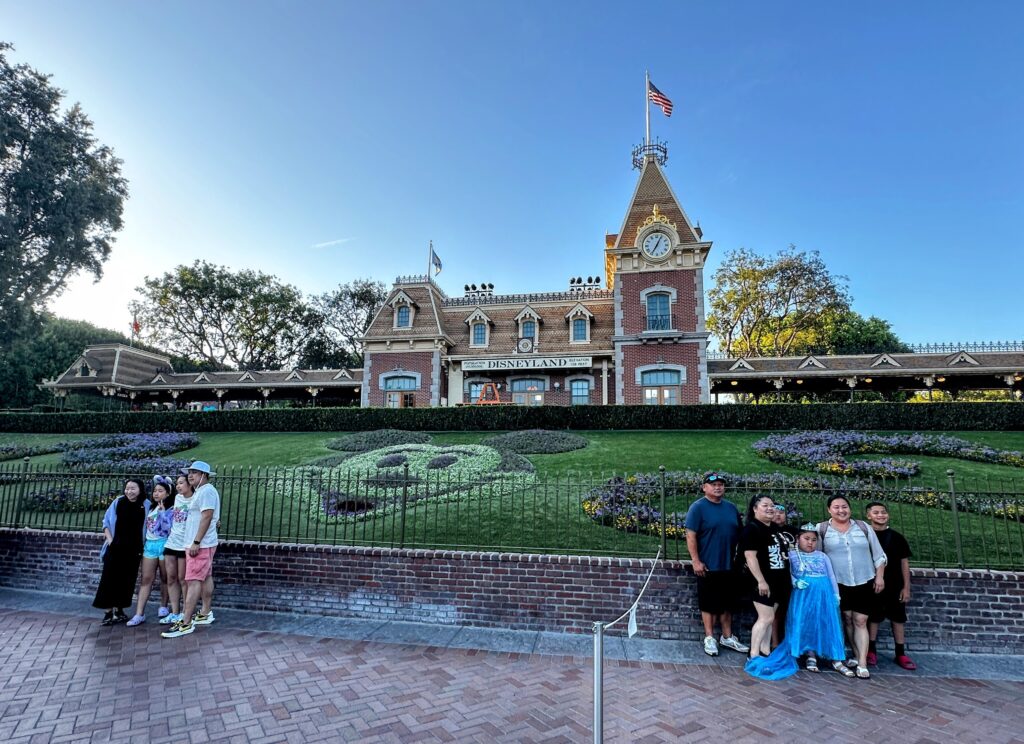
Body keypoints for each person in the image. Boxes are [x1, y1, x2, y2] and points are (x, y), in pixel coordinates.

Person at [745, 524, 854, 680]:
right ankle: (809, 654)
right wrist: (795, 581)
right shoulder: (792, 555)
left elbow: (831, 576)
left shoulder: (822, 557)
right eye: (806, 539)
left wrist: (836, 594)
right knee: (805, 622)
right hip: (803, 595)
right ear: (798, 539)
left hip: (823, 594)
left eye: (814, 540)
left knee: (826, 622)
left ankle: (835, 657)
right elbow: (786, 573)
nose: (810, 543)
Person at [817, 495, 887, 679]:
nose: (841, 510)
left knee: (861, 620)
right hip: (838, 582)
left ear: (850, 508)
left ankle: (862, 664)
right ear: (829, 510)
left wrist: (880, 577)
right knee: (847, 619)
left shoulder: (864, 528)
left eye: (844, 506)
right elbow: (817, 557)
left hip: (864, 580)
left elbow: (879, 556)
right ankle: (856, 654)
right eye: (836, 507)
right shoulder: (822, 529)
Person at [684, 472, 749, 657]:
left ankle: (727, 636)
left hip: (729, 564)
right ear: (704, 487)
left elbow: (739, 532)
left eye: (721, 484)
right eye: (713, 484)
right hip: (708, 564)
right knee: (708, 602)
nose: (718, 487)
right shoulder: (698, 508)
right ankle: (710, 637)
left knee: (728, 603)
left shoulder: (730, 508)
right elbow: (691, 535)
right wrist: (696, 560)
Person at [162, 460, 220, 639]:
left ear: (204, 475)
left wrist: (196, 541)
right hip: (202, 543)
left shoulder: (206, 491)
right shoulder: (202, 491)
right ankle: (205, 612)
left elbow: (207, 517)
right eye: (190, 472)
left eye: (195, 472)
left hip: (200, 544)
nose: (190, 475)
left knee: (193, 580)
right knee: (205, 576)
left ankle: (186, 623)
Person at [738, 495, 791, 660]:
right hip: (761, 582)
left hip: (778, 581)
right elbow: (750, 557)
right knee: (766, 617)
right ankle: (753, 655)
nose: (770, 508)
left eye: (772, 505)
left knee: (770, 618)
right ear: (755, 509)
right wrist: (761, 581)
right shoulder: (752, 529)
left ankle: (765, 651)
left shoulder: (773, 528)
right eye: (765, 505)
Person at [865, 502, 917, 670]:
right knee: (874, 617)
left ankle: (900, 652)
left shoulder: (897, 537)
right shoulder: (865, 536)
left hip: (895, 583)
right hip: (873, 583)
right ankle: (871, 650)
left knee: (898, 618)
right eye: (876, 512)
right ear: (869, 516)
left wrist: (906, 587)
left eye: (883, 512)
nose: (880, 515)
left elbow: (904, 563)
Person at [93, 478, 150, 626]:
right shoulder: (118, 502)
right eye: (127, 488)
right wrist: (111, 541)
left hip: (134, 550)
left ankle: (119, 610)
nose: (129, 491)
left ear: (140, 489)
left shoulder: (146, 505)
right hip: (116, 547)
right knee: (109, 579)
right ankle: (107, 613)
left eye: (133, 488)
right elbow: (106, 522)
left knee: (127, 581)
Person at [126, 475, 175, 626]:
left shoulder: (172, 509)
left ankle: (163, 606)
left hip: (164, 544)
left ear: (167, 493)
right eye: (155, 491)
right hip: (150, 545)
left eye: (160, 491)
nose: (156, 493)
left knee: (165, 578)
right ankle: (139, 613)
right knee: (146, 579)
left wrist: (162, 512)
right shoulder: (150, 507)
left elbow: (168, 529)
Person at [159, 473, 195, 626]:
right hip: (172, 542)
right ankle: (175, 612)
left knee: (183, 579)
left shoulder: (196, 499)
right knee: (171, 577)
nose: (178, 486)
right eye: (177, 483)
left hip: (185, 543)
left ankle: (186, 613)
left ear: (189, 484)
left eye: (181, 483)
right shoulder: (177, 498)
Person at [770, 504, 797, 646]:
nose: (778, 515)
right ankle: (774, 643)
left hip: (794, 575)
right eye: (774, 512)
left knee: (790, 611)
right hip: (775, 575)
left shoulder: (794, 531)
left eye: (781, 512)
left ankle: (790, 643)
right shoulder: (768, 531)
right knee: (775, 612)